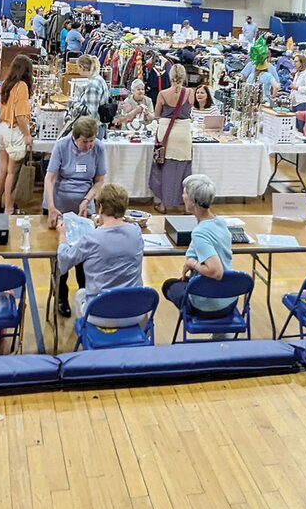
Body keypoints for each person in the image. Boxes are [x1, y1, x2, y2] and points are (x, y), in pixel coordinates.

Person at [45, 116, 109, 316]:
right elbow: (50, 178)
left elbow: (99, 181)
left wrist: (87, 200)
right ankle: (61, 297)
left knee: (84, 257)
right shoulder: (62, 146)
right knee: (62, 256)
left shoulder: (98, 148)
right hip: (60, 204)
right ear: (75, 138)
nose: (89, 145)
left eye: (91, 141)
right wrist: (52, 207)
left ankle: (85, 296)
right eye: (85, 142)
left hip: (84, 208)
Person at [56, 182, 145, 323]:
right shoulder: (136, 231)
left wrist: (62, 236)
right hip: (134, 312)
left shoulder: (92, 238)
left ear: (100, 207)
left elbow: (64, 261)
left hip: (100, 314)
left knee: (80, 294)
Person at [160, 174, 236, 318]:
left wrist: (192, 263)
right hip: (229, 299)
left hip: (208, 305)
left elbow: (216, 272)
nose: (182, 196)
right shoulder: (220, 222)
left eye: (184, 193)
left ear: (193, 201)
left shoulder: (200, 233)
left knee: (169, 285)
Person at [0, 55, 35, 214]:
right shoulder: (21, 86)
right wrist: (27, 134)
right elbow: (20, 115)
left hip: (2, 128)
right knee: (11, 171)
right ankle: (9, 208)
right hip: (14, 132)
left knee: (1, 169)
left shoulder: (5, 84)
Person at [149, 64, 194, 211]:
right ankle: (186, 206)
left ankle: (163, 204)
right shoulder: (189, 93)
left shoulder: (162, 94)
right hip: (183, 134)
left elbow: (156, 115)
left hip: (165, 135)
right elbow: (189, 111)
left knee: (162, 169)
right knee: (184, 169)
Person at [70, 54, 112, 122]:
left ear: (82, 67)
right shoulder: (98, 79)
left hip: (93, 128)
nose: (77, 70)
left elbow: (91, 114)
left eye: (78, 67)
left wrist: (73, 104)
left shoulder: (93, 85)